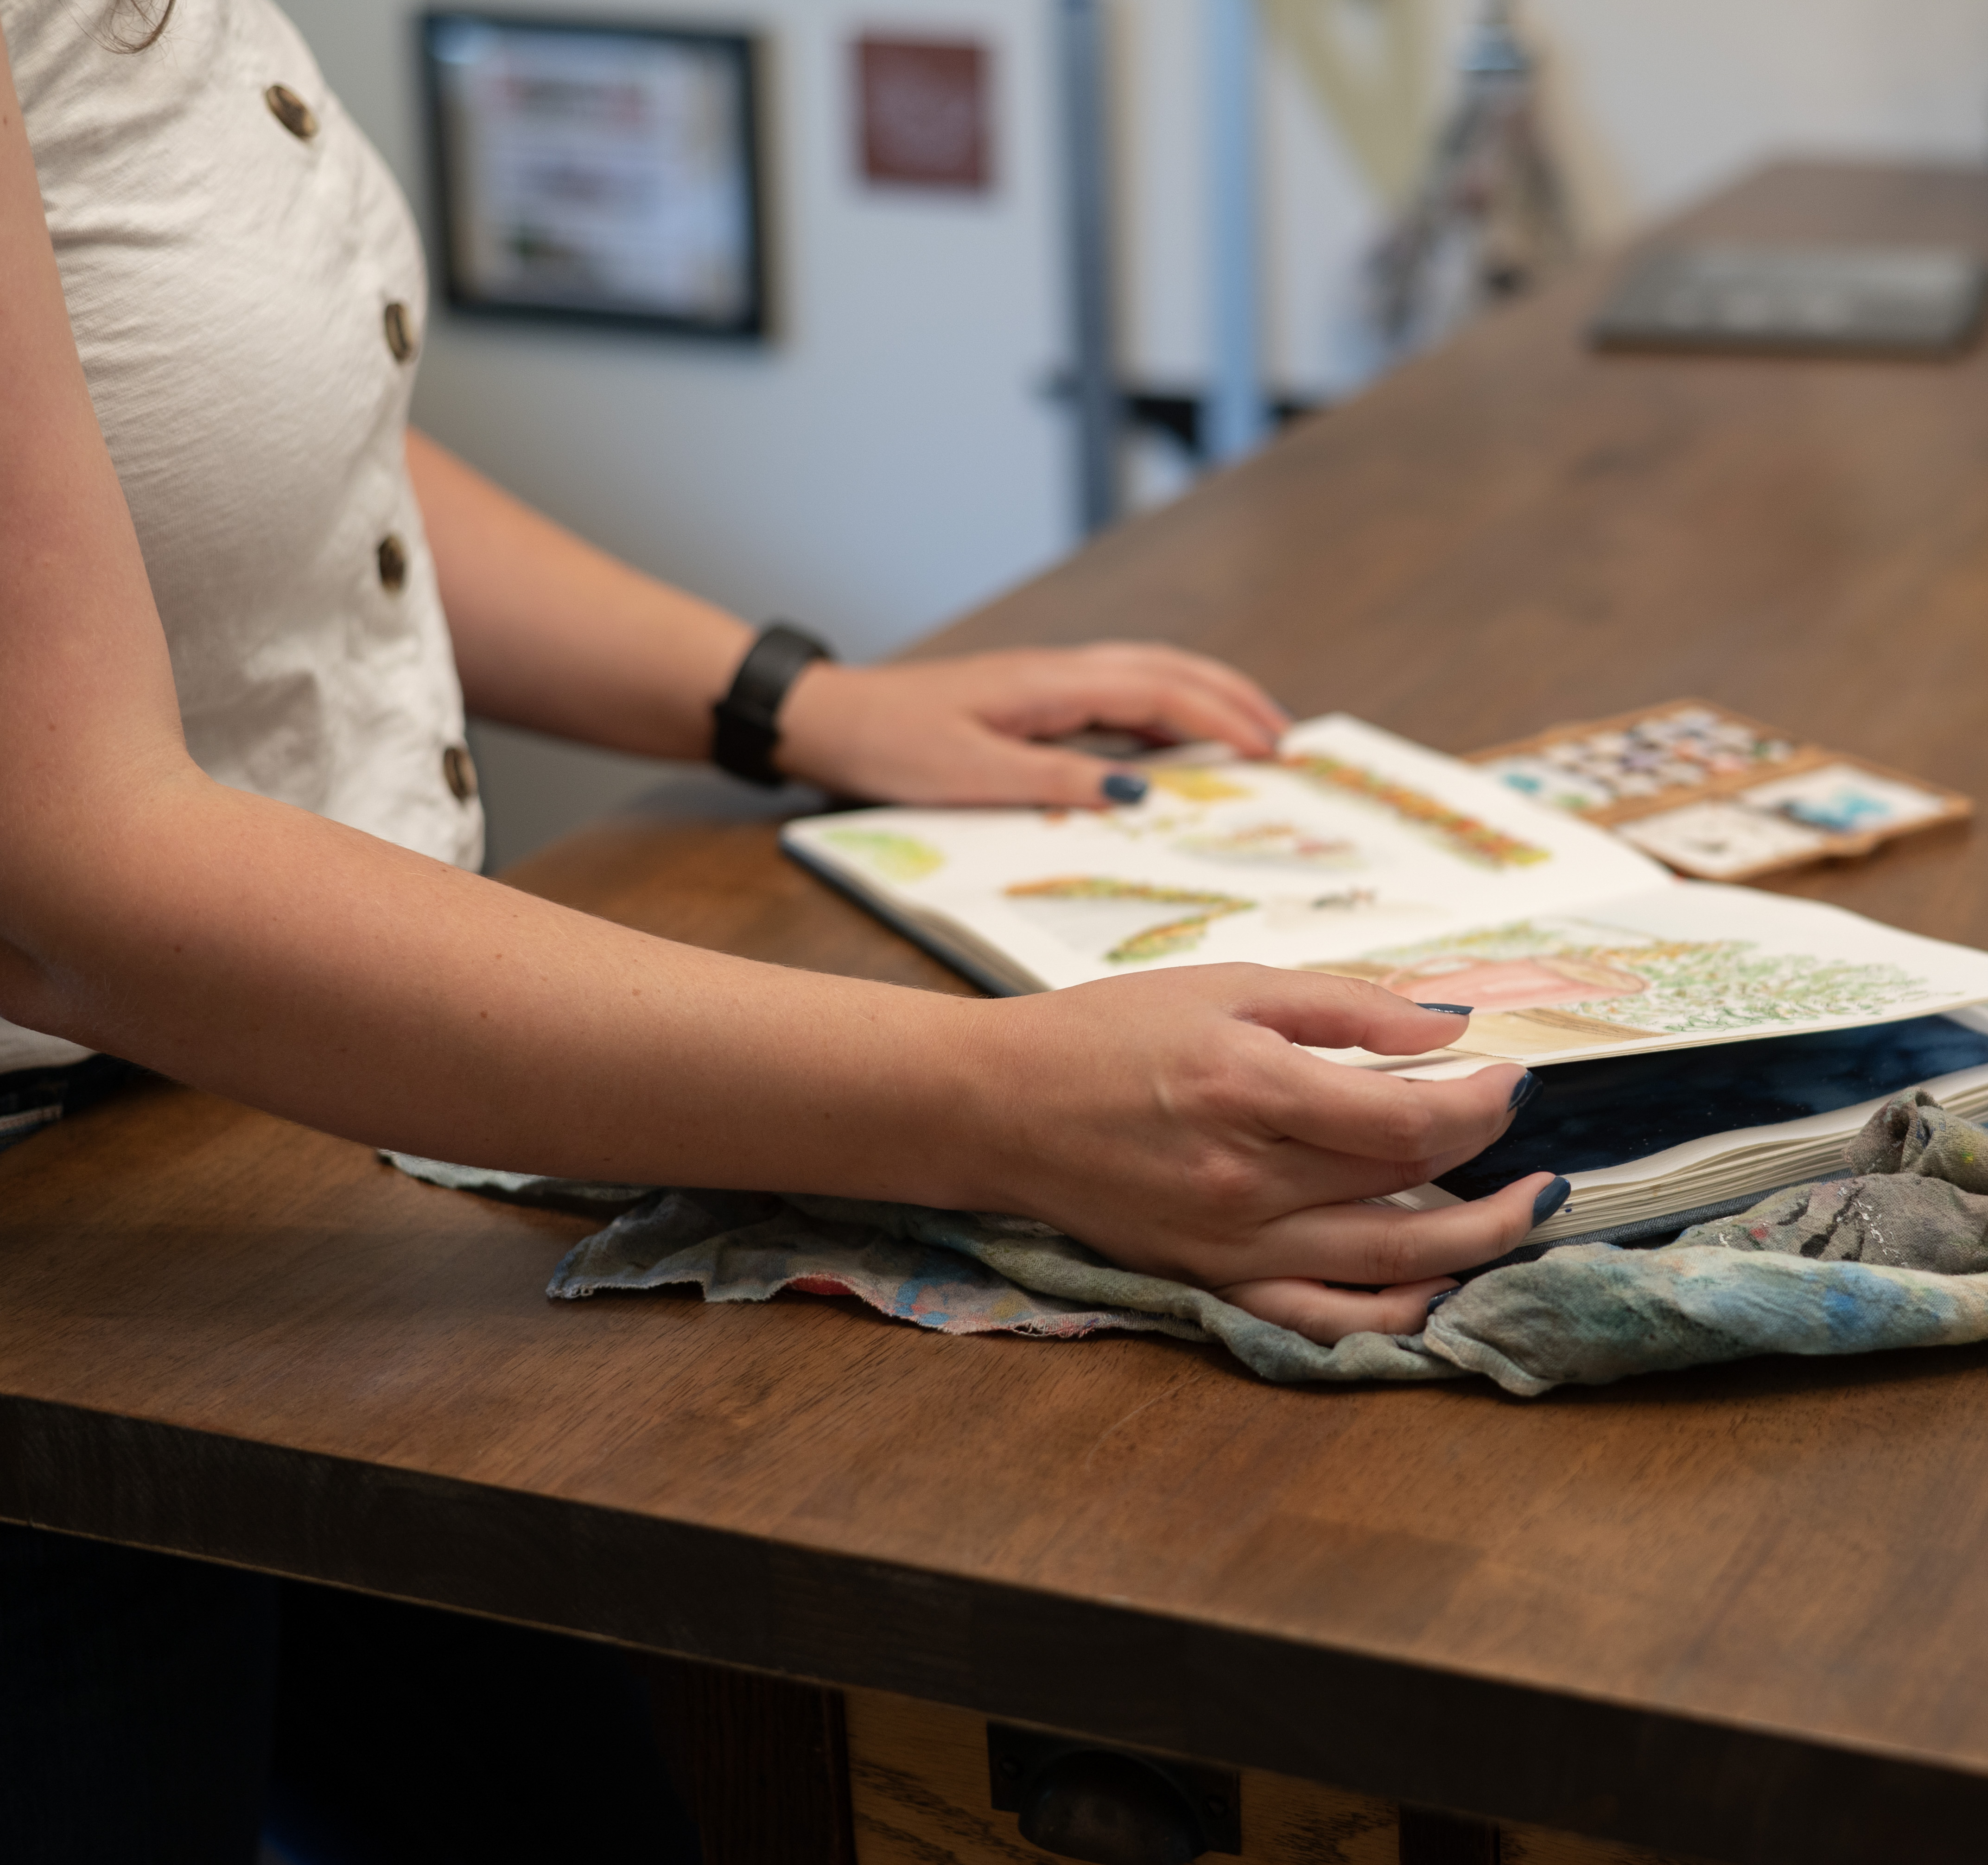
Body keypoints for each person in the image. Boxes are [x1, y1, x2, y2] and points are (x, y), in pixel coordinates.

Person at [0, 0, 1562, 1856]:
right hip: (78, 1286)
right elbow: (74, 878)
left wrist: (790, 703)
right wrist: (1006, 1105)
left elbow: (252, 451)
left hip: (286, 1164)